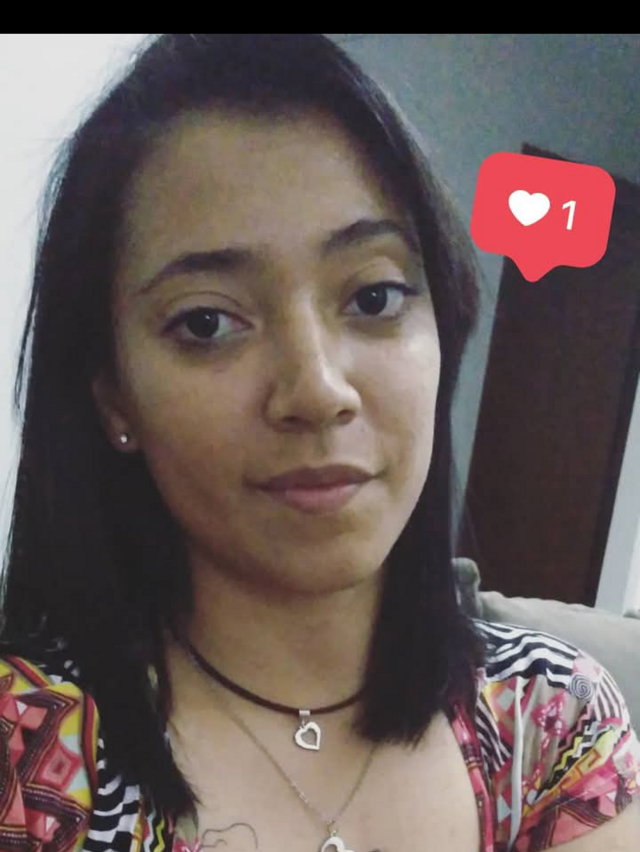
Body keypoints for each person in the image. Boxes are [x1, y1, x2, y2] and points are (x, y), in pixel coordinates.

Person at [0, 33, 638, 852]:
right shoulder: (26, 748)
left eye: (374, 297)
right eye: (208, 322)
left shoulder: (556, 720)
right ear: (113, 394)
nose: (317, 390)